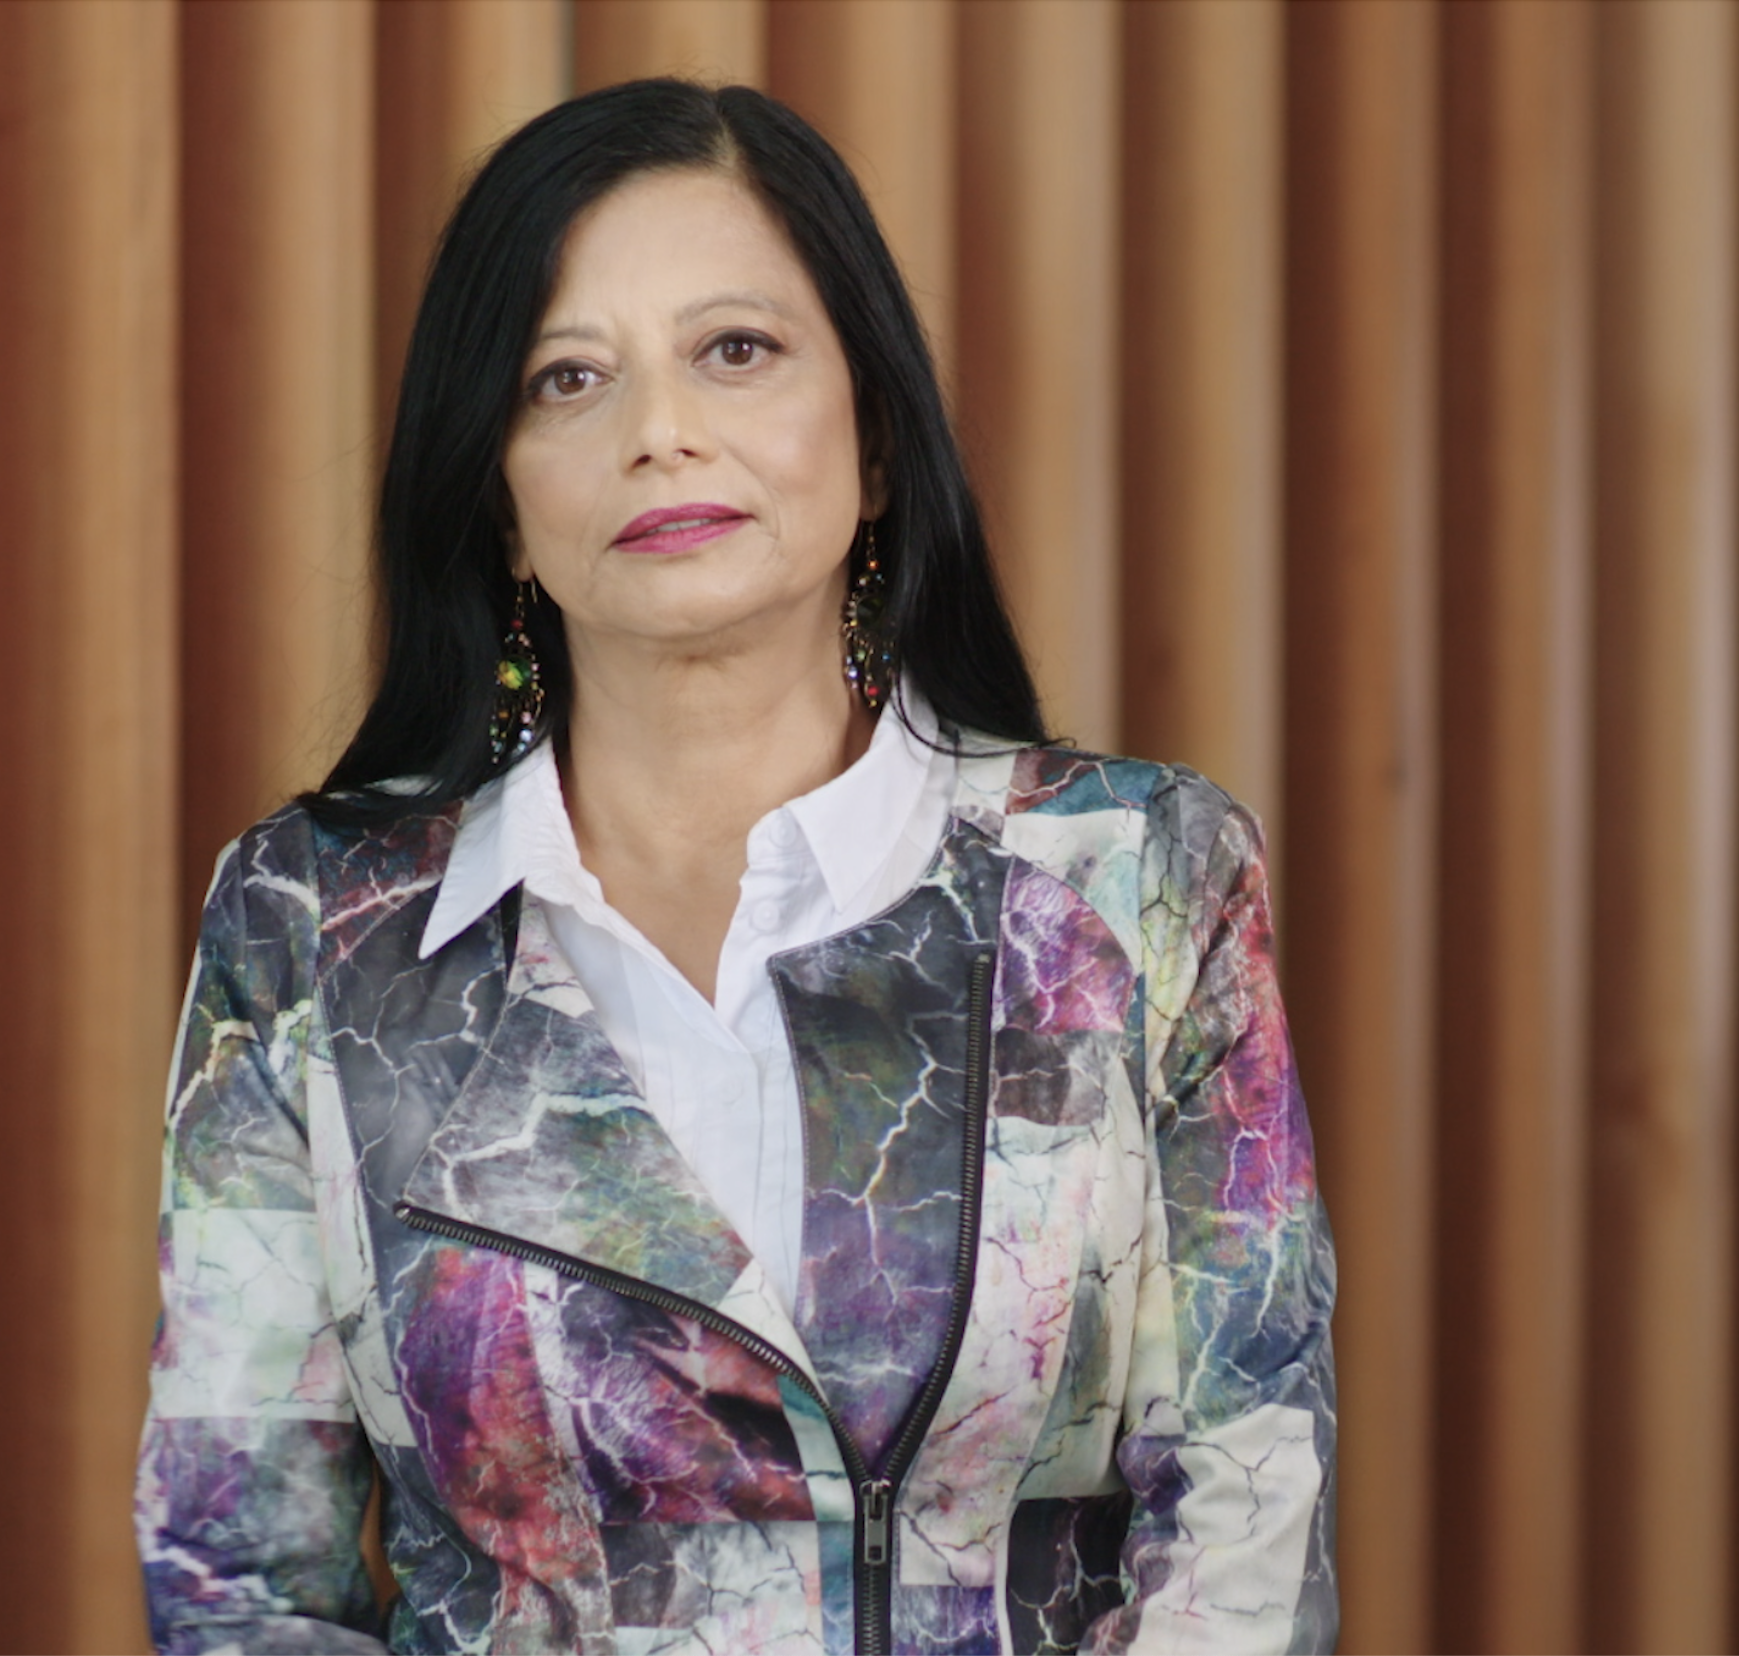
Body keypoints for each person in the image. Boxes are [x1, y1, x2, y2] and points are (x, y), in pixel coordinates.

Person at [135, 78, 1336, 1656]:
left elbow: (1246, 1516)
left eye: (735, 350)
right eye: (568, 377)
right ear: (500, 502)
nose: (659, 431)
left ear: (876, 439)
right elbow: (237, 1574)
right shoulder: (314, 925)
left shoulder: (1130, 880)